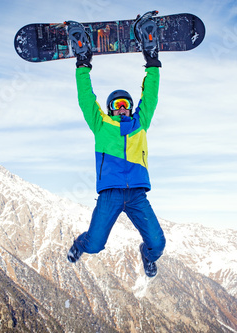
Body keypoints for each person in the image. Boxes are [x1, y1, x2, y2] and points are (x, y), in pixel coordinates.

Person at [66, 13, 165, 278]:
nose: (122, 108)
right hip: (109, 194)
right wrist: (82, 64)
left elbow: (151, 95)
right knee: (95, 246)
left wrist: (151, 61)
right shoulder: (101, 125)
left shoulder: (139, 123)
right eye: (116, 105)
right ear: (109, 109)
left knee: (159, 243)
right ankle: (80, 243)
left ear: (131, 108)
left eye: (126, 105)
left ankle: (147, 255)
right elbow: (86, 99)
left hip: (136, 195)